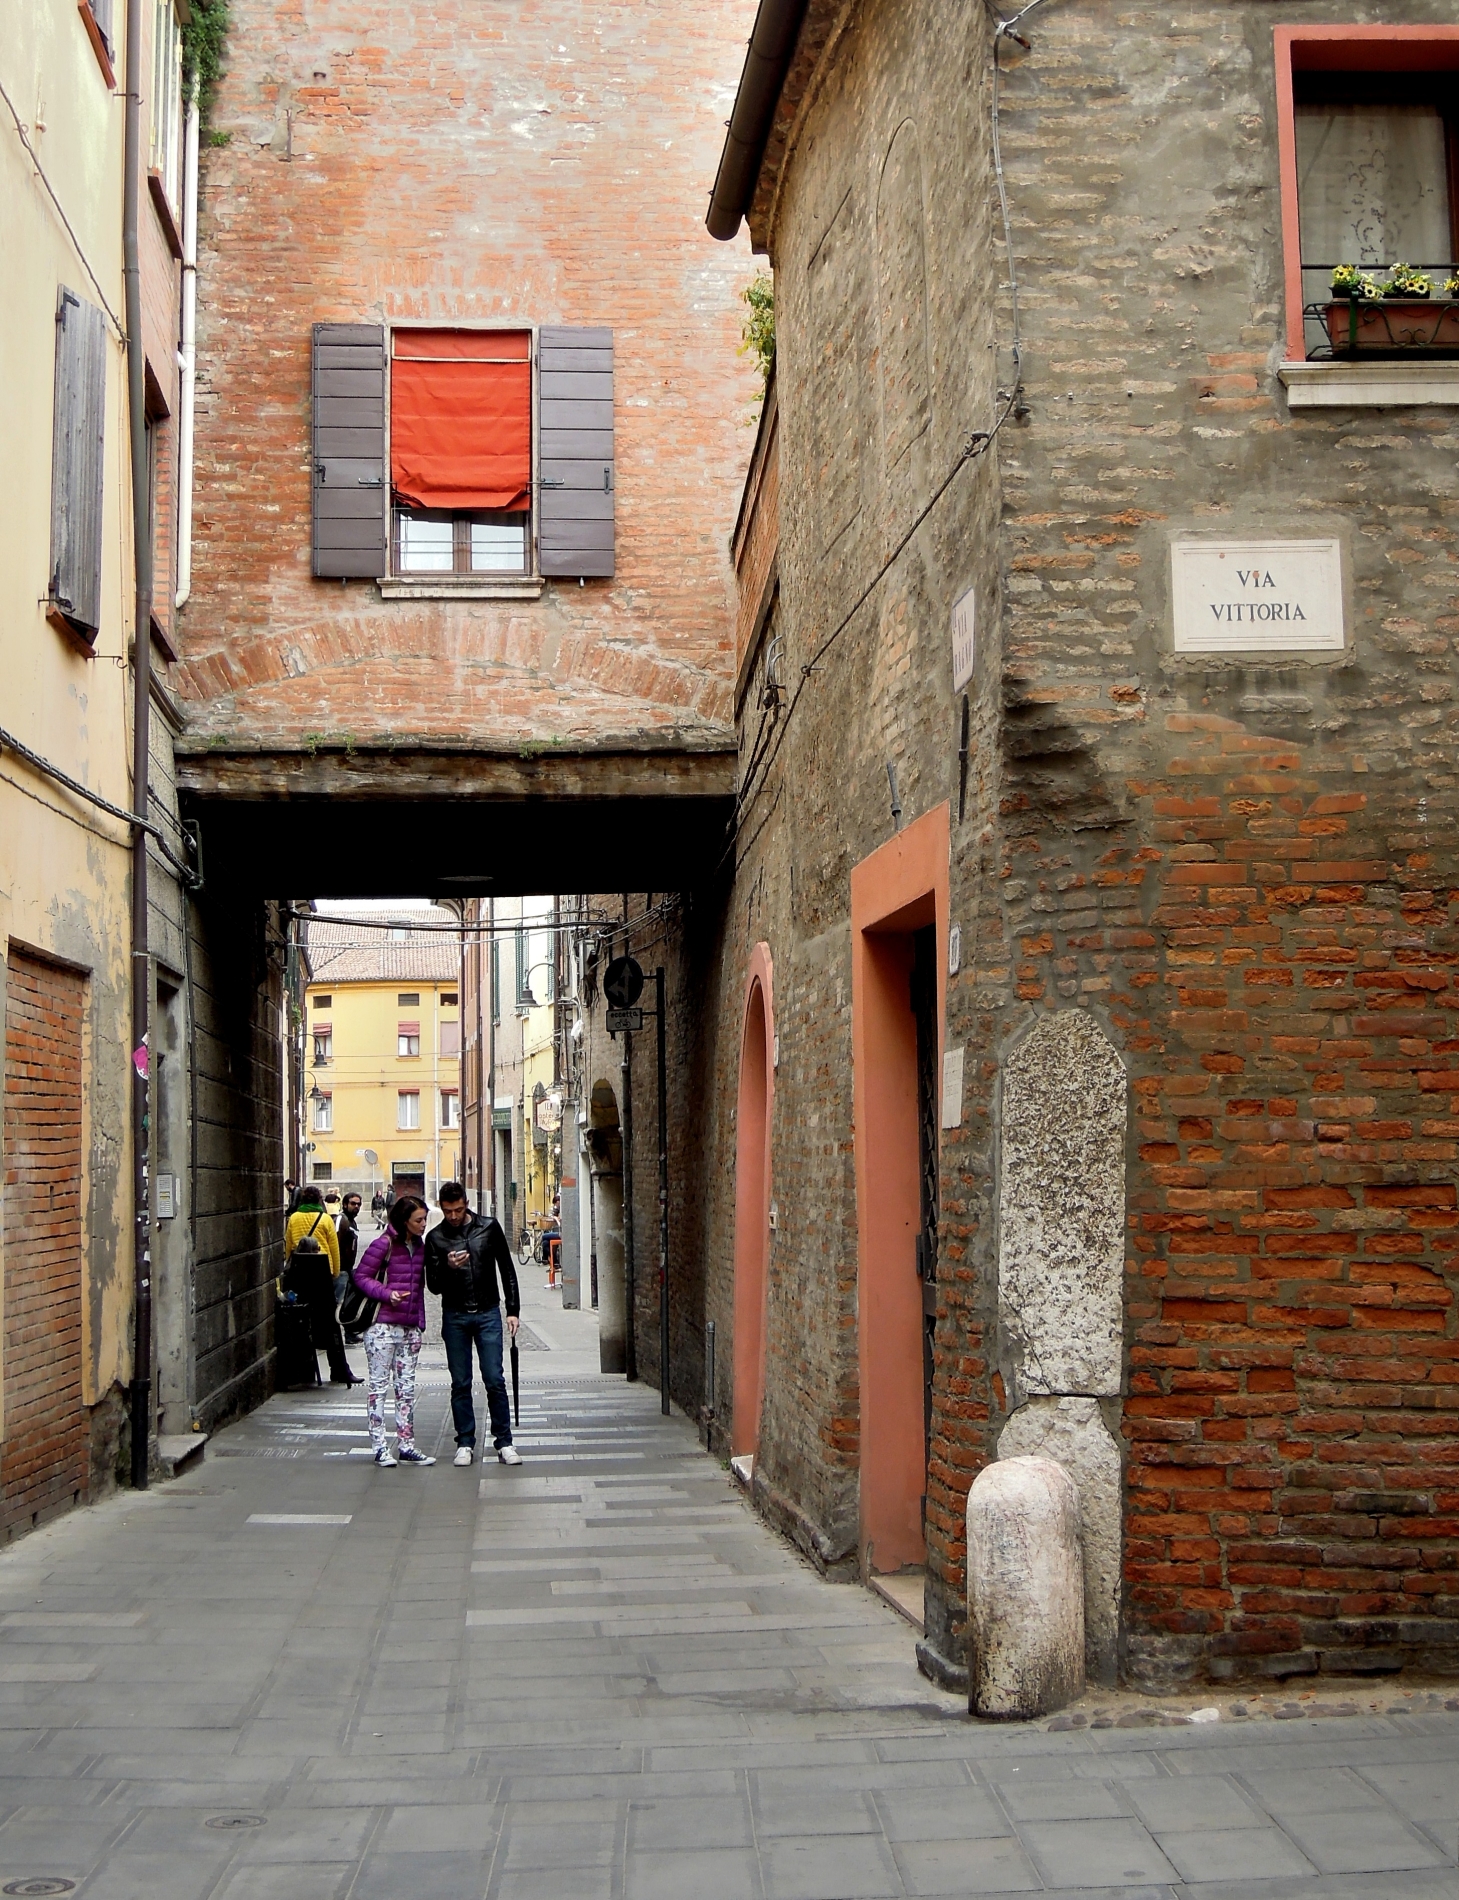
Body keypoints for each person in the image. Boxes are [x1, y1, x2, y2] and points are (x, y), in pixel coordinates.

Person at [424, 1181, 522, 1469]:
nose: (453, 1216)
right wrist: (448, 1266)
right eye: (447, 1211)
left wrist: (512, 1310)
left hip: (488, 1311)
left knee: (494, 1378)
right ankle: (465, 1441)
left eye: (457, 1209)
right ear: (441, 1208)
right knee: (460, 1382)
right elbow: (434, 1285)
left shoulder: (488, 1227)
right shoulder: (436, 1238)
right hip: (455, 1314)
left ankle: (504, 1441)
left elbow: (507, 1269)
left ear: (466, 1204)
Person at [353, 1195, 436, 1468]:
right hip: (383, 1327)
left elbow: (419, 1286)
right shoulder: (384, 1244)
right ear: (404, 1221)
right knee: (379, 1387)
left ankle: (406, 1444)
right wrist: (387, 1294)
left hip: (409, 1328)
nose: (423, 1224)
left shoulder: (420, 1247)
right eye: (418, 1220)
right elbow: (361, 1276)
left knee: (406, 1388)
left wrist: (419, 1322)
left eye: (425, 1219)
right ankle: (379, 1446)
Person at [283, 1186, 360, 1385]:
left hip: (300, 1275)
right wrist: (335, 1273)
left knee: (301, 1321)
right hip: (322, 1275)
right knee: (331, 1324)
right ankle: (339, 1370)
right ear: (319, 1201)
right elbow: (334, 1249)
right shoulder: (325, 1219)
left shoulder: (294, 1218)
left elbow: (289, 1246)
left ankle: (304, 1370)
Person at [334, 1191, 361, 1305]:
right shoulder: (341, 1219)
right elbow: (335, 1242)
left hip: (347, 1269)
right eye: (353, 1203)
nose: (356, 1206)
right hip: (340, 1270)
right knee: (338, 1303)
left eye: (358, 1204)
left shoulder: (351, 1221)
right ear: (345, 1205)